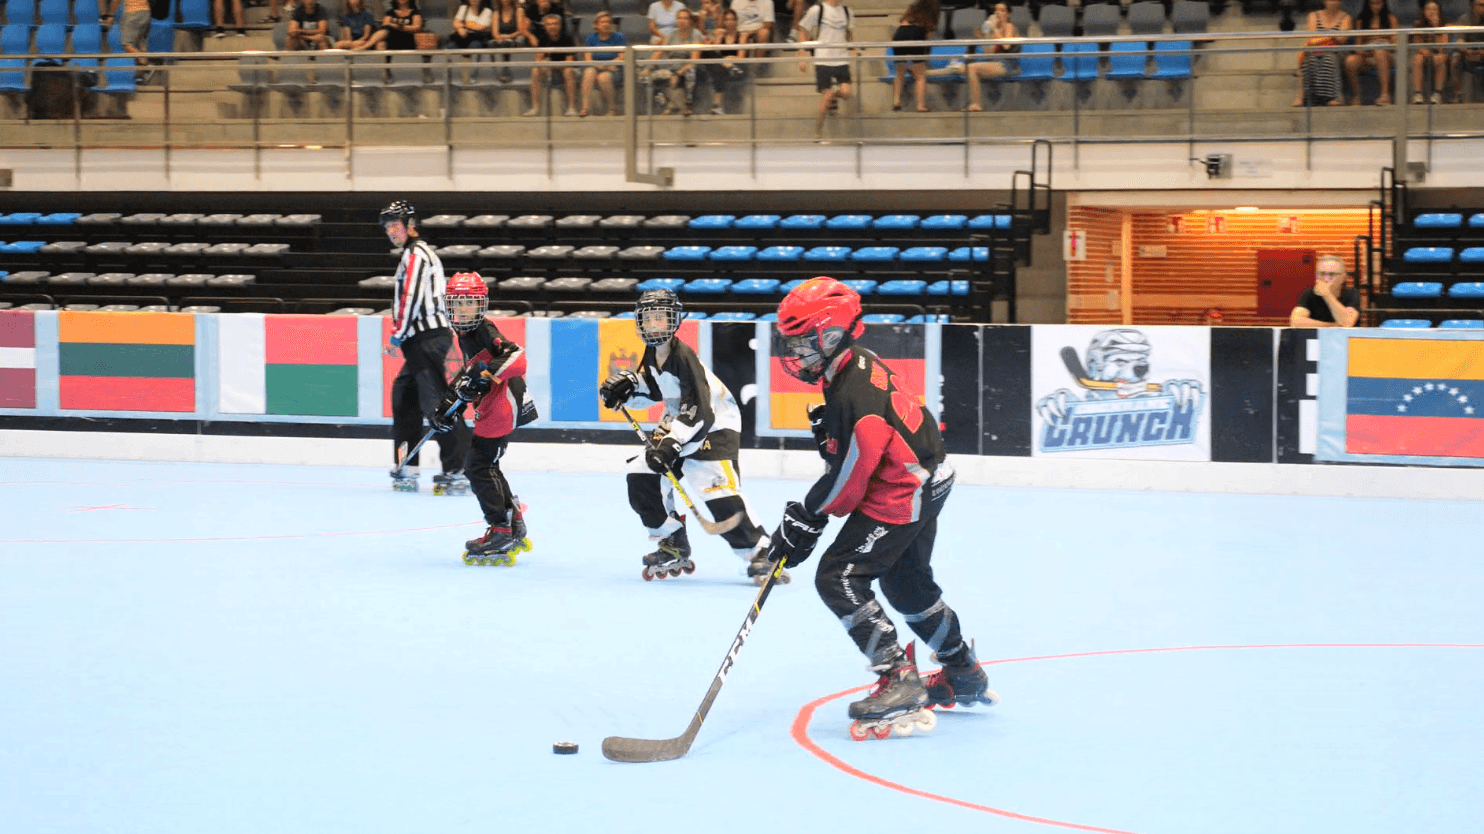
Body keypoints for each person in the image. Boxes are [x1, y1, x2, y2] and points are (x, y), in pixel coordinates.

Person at [767, 277, 995, 737]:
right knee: (907, 583)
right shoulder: (856, 363)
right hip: (930, 477)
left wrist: (807, 518)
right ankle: (963, 672)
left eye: (803, 342)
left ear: (832, 337)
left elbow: (848, 484)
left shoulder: (854, 395)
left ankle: (898, 678)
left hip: (903, 490)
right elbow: (863, 452)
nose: (795, 352)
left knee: (839, 577)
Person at [598, 289, 781, 584]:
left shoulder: (684, 357)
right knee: (641, 473)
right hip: (681, 425)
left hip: (714, 427)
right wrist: (628, 390)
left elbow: (702, 411)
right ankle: (671, 541)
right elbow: (656, 389)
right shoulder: (653, 353)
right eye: (649, 319)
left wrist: (671, 444)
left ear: (674, 321)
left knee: (716, 492)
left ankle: (760, 551)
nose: (655, 325)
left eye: (662, 318)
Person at [434, 272, 538, 565]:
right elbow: (472, 372)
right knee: (485, 463)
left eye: (470, 302)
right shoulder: (465, 333)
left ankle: (501, 528)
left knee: (477, 465)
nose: (463, 309)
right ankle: (511, 519)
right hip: (494, 405)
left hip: (501, 405)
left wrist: (485, 377)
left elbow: (517, 358)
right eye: (458, 303)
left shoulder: (483, 329)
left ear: (481, 305)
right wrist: (447, 405)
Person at [380, 200, 471, 493]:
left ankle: (461, 469)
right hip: (420, 340)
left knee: (439, 405)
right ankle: (408, 464)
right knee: (404, 398)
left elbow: (410, 296)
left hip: (428, 339)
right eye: (387, 227)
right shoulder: (411, 254)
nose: (391, 231)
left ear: (410, 224)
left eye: (395, 225)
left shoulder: (417, 254)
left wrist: (398, 332)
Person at [795, 0, 854, 140]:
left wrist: (854, 49)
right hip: (823, 59)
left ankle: (833, 98)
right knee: (826, 95)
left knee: (846, 92)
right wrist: (802, 56)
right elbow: (803, 30)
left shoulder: (847, 11)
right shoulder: (817, 9)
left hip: (841, 59)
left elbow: (849, 33)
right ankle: (817, 131)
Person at [1293, 0, 1351, 107]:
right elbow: (1312, 37)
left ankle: (1332, 97)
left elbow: (1342, 39)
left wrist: (1323, 37)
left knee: (1328, 58)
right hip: (1316, 49)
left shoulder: (1345, 17)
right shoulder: (1314, 15)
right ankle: (1308, 97)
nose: (1333, 2)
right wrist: (1331, 35)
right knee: (1309, 61)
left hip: (1336, 50)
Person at [963, 2, 1017, 112]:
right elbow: (989, 52)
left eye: (1002, 10)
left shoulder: (1009, 27)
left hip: (1007, 64)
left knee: (972, 68)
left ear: (1008, 14)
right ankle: (973, 103)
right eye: (996, 10)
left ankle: (976, 104)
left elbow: (1006, 46)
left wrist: (994, 29)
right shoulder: (996, 30)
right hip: (996, 62)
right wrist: (983, 38)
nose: (998, 12)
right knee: (964, 68)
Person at [651, 8, 704, 115]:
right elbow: (659, 53)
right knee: (649, 77)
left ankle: (688, 105)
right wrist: (648, 66)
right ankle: (667, 103)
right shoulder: (671, 34)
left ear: (690, 21)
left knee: (690, 72)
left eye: (685, 18)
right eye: (679, 18)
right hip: (671, 69)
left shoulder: (696, 34)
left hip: (688, 68)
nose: (682, 21)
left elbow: (694, 60)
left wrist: (678, 73)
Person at [1345, 0, 1399, 105]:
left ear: (1383, 4)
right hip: (1367, 55)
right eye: (1373, 3)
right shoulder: (1360, 21)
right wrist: (1366, 51)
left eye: (1378, 3)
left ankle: (1385, 95)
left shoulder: (1391, 19)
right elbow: (1357, 46)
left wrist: (1382, 42)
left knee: (1379, 51)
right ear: (1368, 4)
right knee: (1350, 61)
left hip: (1387, 55)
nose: (1375, 6)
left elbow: (1395, 45)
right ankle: (1357, 96)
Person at [528, 12, 580, 116]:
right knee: (535, 71)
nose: (552, 27)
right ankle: (535, 107)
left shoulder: (567, 38)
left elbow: (569, 61)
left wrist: (552, 65)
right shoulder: (543, 38)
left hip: (567, 68)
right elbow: (538, 59)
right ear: (545, 26)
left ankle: (571, 107)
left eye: (555, 24)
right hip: (551, 67)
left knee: (568, 71)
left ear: (560, 25)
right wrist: (543, 65)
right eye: (549, 24)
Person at [891, 0, 938, 112]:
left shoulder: (912, 7)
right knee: (920, 76)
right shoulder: (932, 9)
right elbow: (928, 34)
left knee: (900, 72)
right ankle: (920, 105)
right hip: (916, 33)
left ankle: (896, 101)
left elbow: (902, 20)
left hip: (900, 33)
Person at [1289, 254, 1360, 327]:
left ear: (1343, 277)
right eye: (1322, 274)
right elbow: (1296, 322)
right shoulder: (1309, 294)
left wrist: (1327, 295)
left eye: (1332, 274)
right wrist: (1333, 326)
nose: (1326, 279)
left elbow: (1347, 323)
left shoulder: (1352, 294)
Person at [580, 11, 629, 116]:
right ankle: (585, 108)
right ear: (596, 25)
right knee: (589, 72)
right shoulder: (590, 38)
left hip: (615, 68)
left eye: (608, 22)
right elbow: (587, 59)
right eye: (602, 22)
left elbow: (622, 57)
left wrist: (607, 66)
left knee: (603, 77)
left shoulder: (619, 37)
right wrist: (602, 66)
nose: (606, 24)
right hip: (598, 66)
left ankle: (612, 109)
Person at [701, 7, 746, 115]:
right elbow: (712, 50)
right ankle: (717, 106)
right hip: (721, 67)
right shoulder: (720, 35)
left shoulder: (742, 36)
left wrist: (728, 59)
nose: (729, 22)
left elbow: (741, 57)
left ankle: (717, 105)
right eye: (727, 20)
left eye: (732, 19)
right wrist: (715, 36)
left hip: (736, 68)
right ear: (723, 22)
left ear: (736, 21)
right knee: (705, 52)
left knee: (718, 68)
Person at [1411, 1, 1452, 104]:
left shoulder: (1445, 25)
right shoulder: (1418, 25)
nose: (1431, 12)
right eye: (1428, 9)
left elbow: (1443, 47)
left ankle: (1438, 93)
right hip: (1425, 54)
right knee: (1417, 58)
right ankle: (1417, 94)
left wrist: (1436, 26)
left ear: (1439, 11)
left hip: (1439, 54)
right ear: (1424, 11)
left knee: (1440, 58)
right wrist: (1427, 53)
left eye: (1434, 9)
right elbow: (1418, 45)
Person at [106, 0, 152, 72]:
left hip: (133, 12)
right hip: (146, 11)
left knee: (127, 45)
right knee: (140, 41)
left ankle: (145, 64)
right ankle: (144, 68)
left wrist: (111, 15)